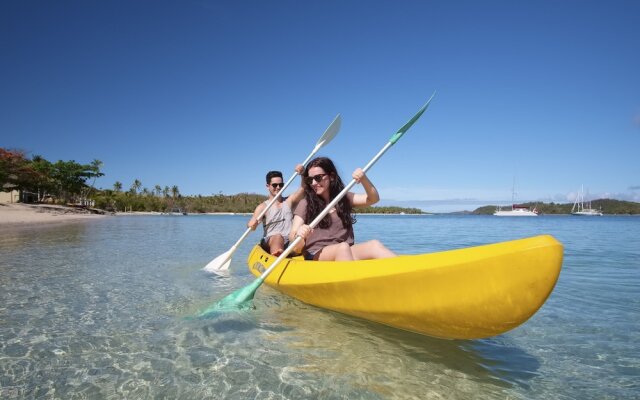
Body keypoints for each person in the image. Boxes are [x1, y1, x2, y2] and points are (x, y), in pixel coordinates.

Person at [290, 157, 396, 261]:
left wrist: (363, 179)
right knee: (342, 248)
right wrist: (299, 234)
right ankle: (353, 277)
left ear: (331, 176)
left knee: (374, 245)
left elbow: (373, 199)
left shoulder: (344, 198)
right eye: (309, 179)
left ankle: (404, 272)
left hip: (347, 250)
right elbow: (293, 237)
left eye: (318, 178)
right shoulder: (305, 203)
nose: (313, 183)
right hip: (316, 253)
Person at [248, 165, 305, 256]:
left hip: (290, 239)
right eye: (274, 185)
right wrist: (252, 224)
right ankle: (277, 255)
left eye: (281, 185)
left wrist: (302, 173)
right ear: (268, 186)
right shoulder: (262, 207)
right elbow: (252, 226)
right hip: (272, 240)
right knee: (278, 237)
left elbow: (303, 189)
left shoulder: (289, 201)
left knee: (302, 235)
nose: (278, 187)